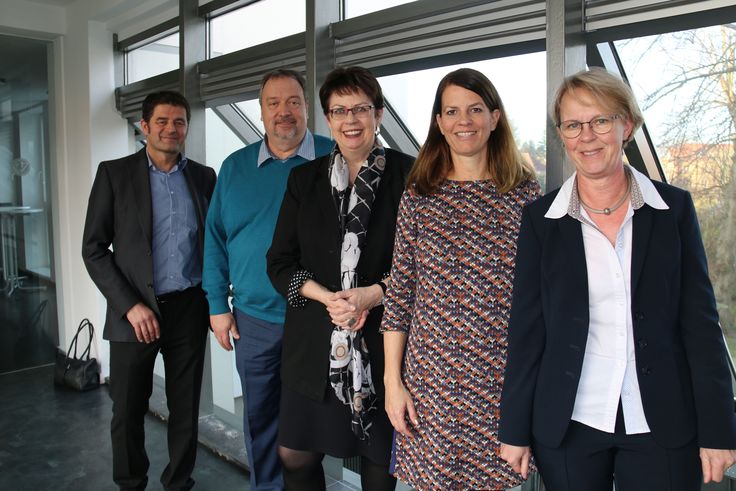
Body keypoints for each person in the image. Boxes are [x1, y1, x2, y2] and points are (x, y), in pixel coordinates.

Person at [498, 67, 736, 490]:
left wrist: (719, 429)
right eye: (573, 125)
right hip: (570, 421)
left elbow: (701, 325)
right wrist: (514, 428)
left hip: (661, 419)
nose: (586, 136)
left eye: (600, 120)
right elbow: (526, 331)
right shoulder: (540, 220)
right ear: (562, 134)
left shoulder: (674, 211)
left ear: (626, 125)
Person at [380, 68, 540, 490]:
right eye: (451, 111)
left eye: (474, 110)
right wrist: (392, 383)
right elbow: (400, 295)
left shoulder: (524, 194)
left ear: (495, 117)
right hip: (430, 385)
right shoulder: (419, 195)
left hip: (498, 383)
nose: (463, 121)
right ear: (439, 122)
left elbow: (538, 296)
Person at [266, 65, 414, 491]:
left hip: (384, 345)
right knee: (294, 457)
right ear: (327, 119)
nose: (351, 120)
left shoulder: (411, 176)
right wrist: (328, 298)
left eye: (361, 109)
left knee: (379, 467)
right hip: (314, 339)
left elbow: (421, 266)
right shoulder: (303, 180)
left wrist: (371, 295)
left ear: (379, 114)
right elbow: (279, 261)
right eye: (339, 110)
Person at [203, 69, 333, 491]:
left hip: (319, 321)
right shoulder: (235, 168)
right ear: (260, 112)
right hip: (255, 320)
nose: (284, 112)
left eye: (293, 101)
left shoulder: (334, 158)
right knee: (260, 420)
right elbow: (215, 241)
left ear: (306, 107)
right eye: (273, 103)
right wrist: (218, 307)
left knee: (316, 427)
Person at [82, 90, 216, 490]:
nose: (171, 129)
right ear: (145, 127)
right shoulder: (114, 173)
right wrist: (130, 306)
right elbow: (93, 250)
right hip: (135, 312)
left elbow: (213, 241)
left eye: (179, 122)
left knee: (185, 408)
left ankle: (178, 482)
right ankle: (130, 483)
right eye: (162, 121)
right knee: (127, 409)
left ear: (187, 128)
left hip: (189, 309)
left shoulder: (204, 176)